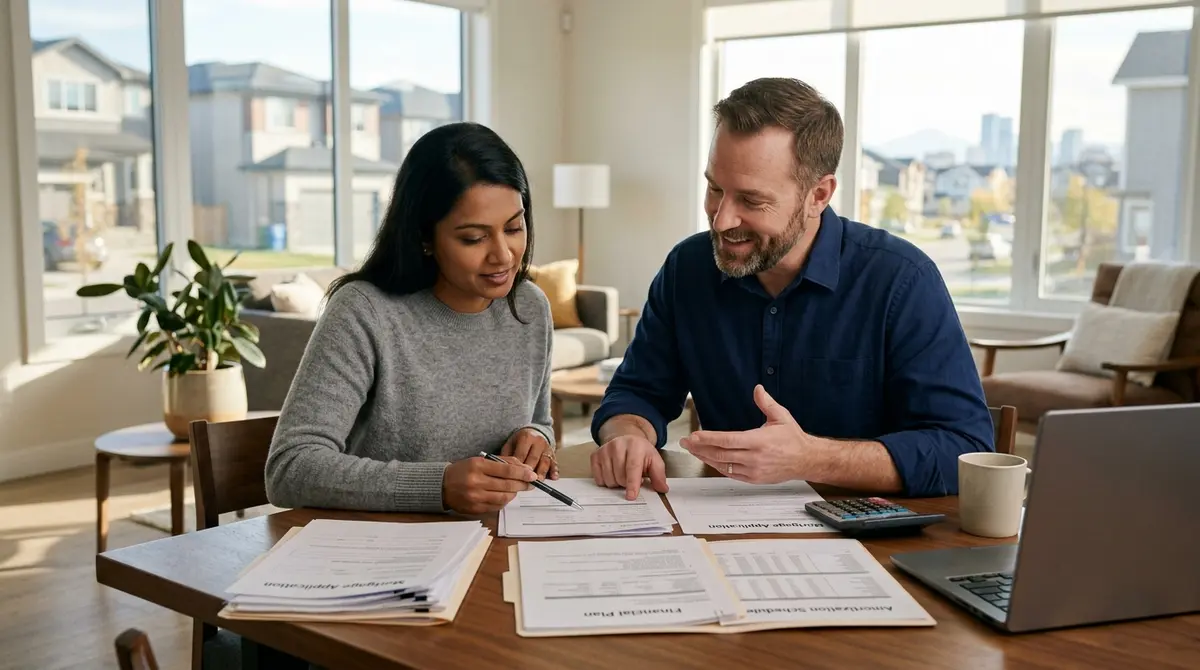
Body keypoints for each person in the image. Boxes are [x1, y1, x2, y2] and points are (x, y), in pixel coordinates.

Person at [590, 77, 993, 501]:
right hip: (718, 527)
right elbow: (636, 392)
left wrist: (811, 457)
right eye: (714, 188)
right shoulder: (687, 269)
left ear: (818, 195)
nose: (721, 219)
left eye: (751, 200)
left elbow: (964, 450)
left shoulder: (903, 281)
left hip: (869, 540)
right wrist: (628, 435)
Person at [265, 121, 557, 515]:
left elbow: (541, 421)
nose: (503, 255)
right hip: (384, 552)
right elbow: (290, 468)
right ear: (424, 237)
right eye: (474, 238)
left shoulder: (530, 307)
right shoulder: (364, 312)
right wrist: (437, 486)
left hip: (491, 539)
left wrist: (536, 438)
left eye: (514, 227)